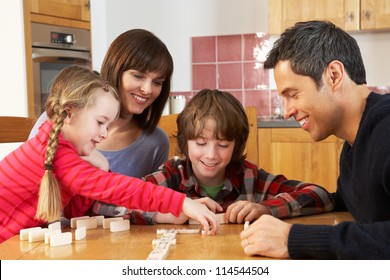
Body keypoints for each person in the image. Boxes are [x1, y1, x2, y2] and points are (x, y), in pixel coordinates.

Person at [0, 66, 220, 244]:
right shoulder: (57, 154)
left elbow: (76, 210)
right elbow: (120, 189)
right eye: (100, 122)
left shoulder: (61, 150)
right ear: (69, 113)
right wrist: (182, 203)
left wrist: (99, 168)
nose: (104, 134)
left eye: (108, 125)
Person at [240, 20, 390, 259]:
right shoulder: (355, 142)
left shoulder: (386, 130)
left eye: (293, 94)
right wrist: (269, 209)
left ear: (334, 75)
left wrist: (293, 240)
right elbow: (347, 201)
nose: (287, 110)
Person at [92, 89, 334, 225]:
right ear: (185, 143)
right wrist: (166, 212)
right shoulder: (173, 174)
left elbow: (321, 195)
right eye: (200, 143)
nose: (211, 155)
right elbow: (103, 203)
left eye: (223, 144)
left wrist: (265, 209)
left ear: (236, 146)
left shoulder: (249, 175)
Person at [29, 28, 172, 178]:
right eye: (138, 76)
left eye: (157, 82)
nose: (147, 89)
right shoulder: (63, 115)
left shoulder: (156, 143)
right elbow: (30, 179)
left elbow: (148, 197)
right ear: (116, 69)